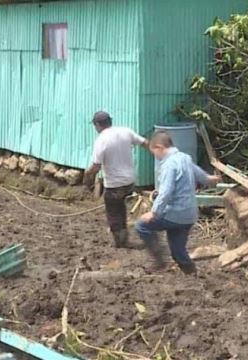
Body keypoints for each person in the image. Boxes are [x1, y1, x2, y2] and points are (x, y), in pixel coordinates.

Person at [135, 131, 220, 274]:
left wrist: (154, 212)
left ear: (159, 147)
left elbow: (166, 192)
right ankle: (192, 274)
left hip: (174, 213)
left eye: (154, 152)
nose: (155, 156)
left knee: (141, 226)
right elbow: (203, 177)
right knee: (178, 252)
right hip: (190, 215)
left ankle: (159, 260)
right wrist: (215, 179)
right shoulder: (185, 158)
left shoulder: (169, 164)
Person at [84, 111, 149, 248]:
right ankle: (123, 234)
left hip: (114, 184)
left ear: (97, 125)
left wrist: (87, 174)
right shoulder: (125, 131)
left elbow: (96, 166)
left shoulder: (101, 140)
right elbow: (145, 143)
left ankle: (120, 241)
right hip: (130, 181)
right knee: (120, 207)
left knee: (113, 211)